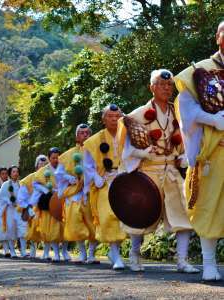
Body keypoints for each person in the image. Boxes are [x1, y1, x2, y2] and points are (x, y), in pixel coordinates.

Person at [121, 69, 199, 274]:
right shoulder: (137, 115)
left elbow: (186, 140)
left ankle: (182, 260)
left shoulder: (178, 112)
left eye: (169, 85)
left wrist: (184, 156)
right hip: (149, 172)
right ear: (151, 87)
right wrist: (142, 153)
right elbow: (126, 150)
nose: (167, 88)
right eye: (162, 85)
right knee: (140, 216)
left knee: (183, 215)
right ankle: (135, 255)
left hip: (172, 171)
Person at [175, 21, 224, 281]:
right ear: (217, 37)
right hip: (213, 153)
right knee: (209, 206)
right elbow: (186, 109)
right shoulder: (198, 72)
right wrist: (213, 119)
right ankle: (209, 263)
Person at [83, 104, 127, 270]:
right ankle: (115, 255)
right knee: (109, 216)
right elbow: (87, 165)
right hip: (105, 182)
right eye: (110, 116)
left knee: (125, 217)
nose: (114, 119)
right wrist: (95, 177)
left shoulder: (127, 135)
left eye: (117, 116)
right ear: (103, 119)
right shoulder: (93, 141)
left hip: (125, 180)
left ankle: (119, 252)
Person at [55, 124, 98, 263]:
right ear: (76, 136)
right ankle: (82, 253)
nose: (85, 135)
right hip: (74, 194)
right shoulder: (67, 155)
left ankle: (91, 254)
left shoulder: (97, 151)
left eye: (87, 133)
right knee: (75, 223)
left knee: (93, 225)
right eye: (81, 133)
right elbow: (59, 174)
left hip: (92, 192)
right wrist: (69, 178)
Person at [32, 148, 71, 262]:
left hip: (63, 199)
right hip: (50, 200)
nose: (56, 160)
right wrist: (46, 189)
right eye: (53, 158)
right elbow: (35, 183)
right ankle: (56, 253)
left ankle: (64, 250)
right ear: (49, 158)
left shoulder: (64, 167)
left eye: (57, 157)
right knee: (53, 229)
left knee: (65, 228)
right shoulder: (43, 170)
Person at [17, 155, 49, 259]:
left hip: (47, 208)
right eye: (41, 164)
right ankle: (32, 251)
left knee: (47, 230)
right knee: (33, 231)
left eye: (45, 164)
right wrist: (28, 207)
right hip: (33, 209)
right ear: (36, 166)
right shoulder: (29, 179)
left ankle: (46, 252)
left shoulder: (51, 177)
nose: (43, 166)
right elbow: (21, 198)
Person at [0, 166, 21, 258]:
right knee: (9, 229)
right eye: (14, 172)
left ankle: (20, 250)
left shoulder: (20, 184)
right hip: (8, 210)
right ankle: (12, 251)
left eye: (17, 171)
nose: (16, 173)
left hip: (18, 210)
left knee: (17, 230)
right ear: (10, 174)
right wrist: (9, 200)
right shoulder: (6, 184)